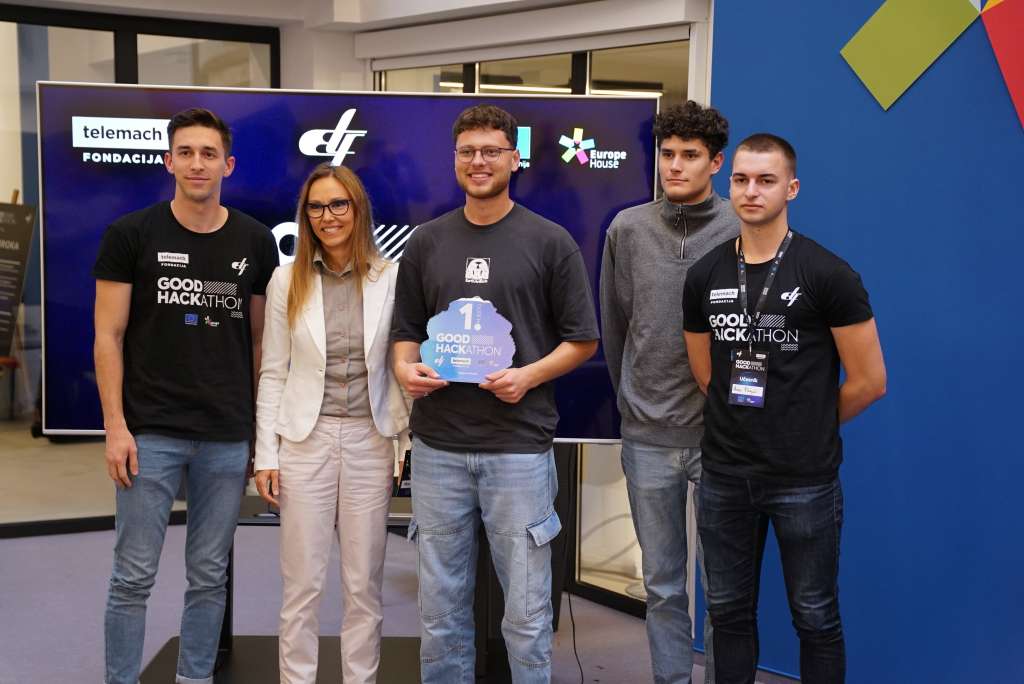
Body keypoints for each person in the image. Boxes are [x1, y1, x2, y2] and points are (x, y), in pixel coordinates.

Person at [390, 104, 599, 684]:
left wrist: (527, 376)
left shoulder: (550, 241)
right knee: (440, 614)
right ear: (454, 159)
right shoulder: (427, 241)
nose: (478, 161)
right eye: (467, 152)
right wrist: (406, 369)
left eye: (490, 151)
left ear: (514, 158)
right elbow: (406, 331)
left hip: (518, 449)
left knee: (527, 616)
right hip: (438, 448)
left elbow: (582, 340)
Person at [682, 133, 887, 684]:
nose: (751, 191)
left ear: (791, 188)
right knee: (727, 614)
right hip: (724, 475)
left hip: (805, 479)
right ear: (729, 185)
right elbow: (706, 373)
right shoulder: (705, 274)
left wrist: (806, 424)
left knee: (815, 618)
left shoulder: (828, 274)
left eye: (766, 180)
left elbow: (870, 382)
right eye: (741, 179)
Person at [93, 107, 279, 684]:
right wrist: (116, 427)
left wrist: (258, 433)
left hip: (226, 435)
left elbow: (260, 344)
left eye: (208, 154)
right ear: (168, 161)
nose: (197, 163)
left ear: (228, 164)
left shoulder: (254, 240)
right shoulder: (130, 234)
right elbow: (108, 337)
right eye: (186, 153)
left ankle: (195, 678)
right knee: (133, 575)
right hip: (149, 433)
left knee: (209, 575)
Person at [253, 162, 411, 684]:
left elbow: (402, 363)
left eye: (338, 204)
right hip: (305, 441)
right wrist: (266, 454)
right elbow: (273, 372)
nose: (328, 216)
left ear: (358, 209)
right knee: (302, 585)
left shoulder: (392, 278)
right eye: (316, 207)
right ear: (306, 216)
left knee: (363, 585)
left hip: (370, 439)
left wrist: (404, 440)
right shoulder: (286, 279)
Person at [600, 100, 738, 684]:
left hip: (724, 439)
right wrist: (631, 401)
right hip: (648, 437)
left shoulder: (741, 228)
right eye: (667, 154)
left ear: (716, 163)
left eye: (689, 155)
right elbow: (615, 327)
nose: (675, 166)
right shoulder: (627, 228)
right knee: (661, 585)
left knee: (725, 589)